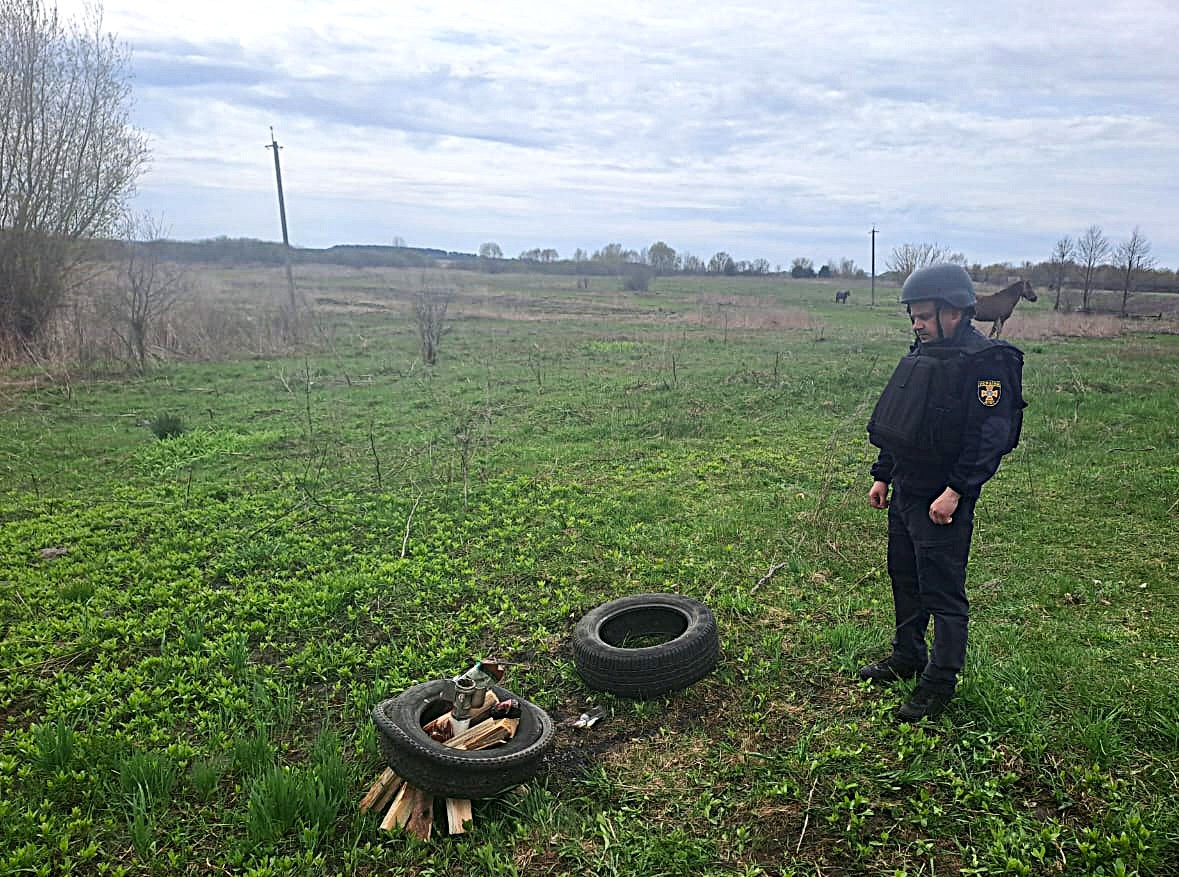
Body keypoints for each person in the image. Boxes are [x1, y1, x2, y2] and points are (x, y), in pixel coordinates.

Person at [862, 263, 1026, 721]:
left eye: (924, 315)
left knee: (943, 593)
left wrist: (956, 491)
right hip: (907, 490)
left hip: (943, 500)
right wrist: (883, 474)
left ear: (955, 312)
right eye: (913, 316)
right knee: (905, 578)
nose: (916, 324)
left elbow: (988, 437)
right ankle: (908, 654)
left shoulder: (986, 362)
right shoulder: (924, 352)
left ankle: (940, 682)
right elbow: (904, 420)